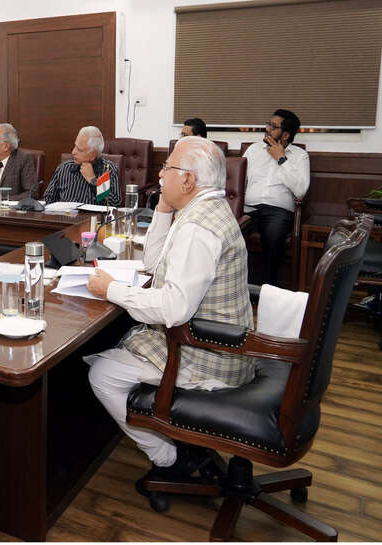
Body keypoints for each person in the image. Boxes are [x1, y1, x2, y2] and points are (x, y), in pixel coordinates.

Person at [85, 136, 254, 482]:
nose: (161, 174)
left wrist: (111, 289)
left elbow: (174, 308)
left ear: (188, 180)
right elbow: (153, 263)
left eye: (168, 167)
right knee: (119, 345)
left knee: (102, 375)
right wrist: (162, 209)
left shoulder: (197, 227)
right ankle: (180, 437)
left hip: (210, 356)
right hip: (223, 344)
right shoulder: (206, 209)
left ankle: (169, 458)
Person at [243, 108, 309, 286]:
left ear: (285, 135)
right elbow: (240, 181)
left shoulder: (300, 156)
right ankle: (236, 285)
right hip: (249, 208)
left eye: (273, 127)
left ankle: (267, 288)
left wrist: (281, 159)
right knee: (229, 230)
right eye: (268, 124)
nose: (267, 129)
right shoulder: (253, 150)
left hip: (278, 212)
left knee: (274, 235)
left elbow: (301, 190)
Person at [42, 126, 121, 206]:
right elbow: (48, 199)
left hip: (93, 214)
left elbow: (114, 203)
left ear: (92, 155)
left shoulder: (108, 170)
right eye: (75, 146)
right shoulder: (64, 168)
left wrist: (93, 180)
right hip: (65, 214)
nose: (73, 152)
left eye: (79, 149)